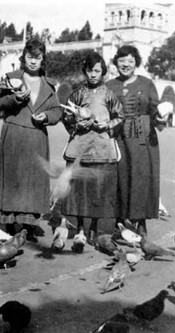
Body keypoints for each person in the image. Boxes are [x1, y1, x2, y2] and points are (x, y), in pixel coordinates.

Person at [0, 38, 63, 241]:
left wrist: (47, 117)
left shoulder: (49, 84)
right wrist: (15, 98)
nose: (33, 62)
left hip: (37, 137)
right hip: (15, 136)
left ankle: (27, 225)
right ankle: (8, 223)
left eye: (38, 58)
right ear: (24, 57)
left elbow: (57, 111)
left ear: (43, 59)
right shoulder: (11, 78)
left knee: (32, 183)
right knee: (13, 180)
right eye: (30, 57)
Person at [61, 51, 124, 245]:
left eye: (97, 71)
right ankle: (80, 227)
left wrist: (108, 125)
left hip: (102, 148)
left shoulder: (109, 94)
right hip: (81, 146)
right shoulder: (79, 93)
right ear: (85, 72)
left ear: (103, 72)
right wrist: (78, 125)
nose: (93, 74)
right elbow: (67, 115)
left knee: (98, 190)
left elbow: (120, 117)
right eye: (90, 71)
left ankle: (95, 229)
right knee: (80, 189)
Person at [105, 45, 167, 237]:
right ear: (116, 62)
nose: (126, 65)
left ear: (136, 63)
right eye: (122, 61)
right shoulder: (109, 85)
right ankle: (119, 221)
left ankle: (140, 223)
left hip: (142, 137)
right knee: (120, 178)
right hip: (118, 136)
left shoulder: (147, 84)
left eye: (130, 61)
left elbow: (156, 110)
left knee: (140, 179)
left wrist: (162, 117)